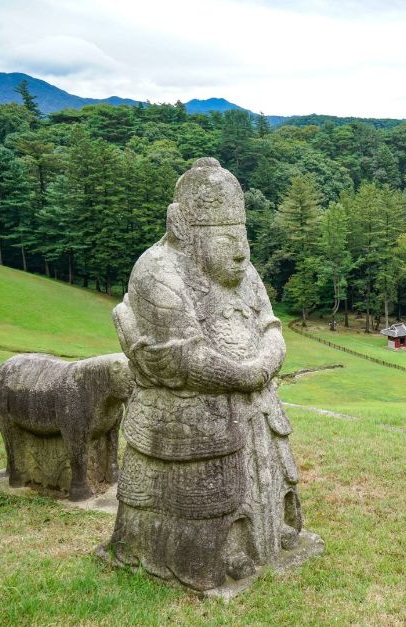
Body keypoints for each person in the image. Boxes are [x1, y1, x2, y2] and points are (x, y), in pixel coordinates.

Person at [104, 158, 302, 591]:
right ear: (186, 231)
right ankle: (217, 547)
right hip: (187, 408)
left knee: (269, 468)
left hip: (255, 401)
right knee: (204, 482)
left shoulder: (245, 273)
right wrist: (246, 373)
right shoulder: (157, 270)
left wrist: (263, 365)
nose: (241, 250)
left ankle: (263, 534)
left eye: (243, 235)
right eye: (226, 237)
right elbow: (184, 357)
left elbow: (271, 325)